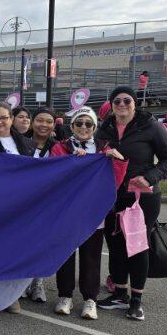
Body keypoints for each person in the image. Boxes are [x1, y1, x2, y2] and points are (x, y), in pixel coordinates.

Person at [95, 86, 167, 321]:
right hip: (112, 195)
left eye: (126, 100)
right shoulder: (106, 127)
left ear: (134, 103)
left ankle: (136, 299)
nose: (122, 104)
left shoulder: (150, 125)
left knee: (138, 245)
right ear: (111, 105)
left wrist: (150, 177)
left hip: (142, 196)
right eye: (117, 101)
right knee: (115, 244)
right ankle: (119, 292)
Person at [50, 107, 127, 320]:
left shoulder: (103, 149)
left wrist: (118, 159)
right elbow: (55, 175)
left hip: (93, 212)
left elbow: (115, 181)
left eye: (88, 124)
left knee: (91, 256)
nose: (83, 127)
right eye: (79, 123)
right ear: (72, 126)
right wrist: (75, 162)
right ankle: (65, 296)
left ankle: (89, 299)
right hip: (66, 211)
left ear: (94, 127)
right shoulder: (61, 147)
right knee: (65, 255)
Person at [20, 107, 58, 304]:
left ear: (54, 124)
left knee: (42, 243)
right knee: (24, 242)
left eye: (48, 121)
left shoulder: (59, 147)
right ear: (33, 122)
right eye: (40, 120)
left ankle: (38, 282)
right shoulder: (21, 144)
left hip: (47, 202)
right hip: (23, 202)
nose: (44, 125)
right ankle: (23, 282)